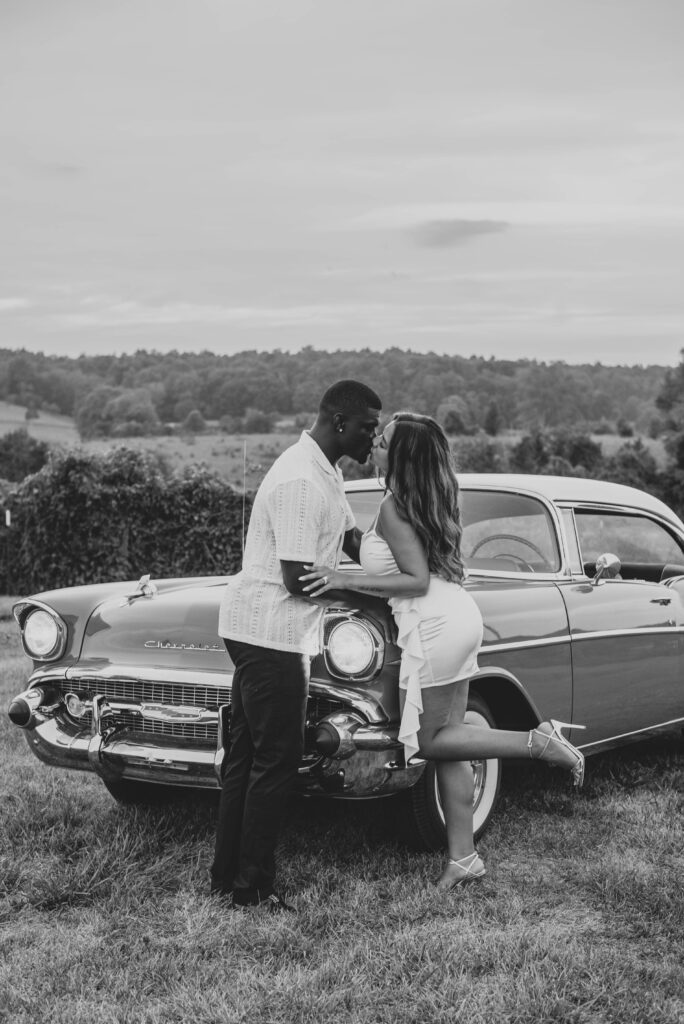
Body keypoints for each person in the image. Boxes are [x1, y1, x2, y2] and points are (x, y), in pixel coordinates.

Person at [301, 412, 585, 891]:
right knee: (450, 746)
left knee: (431, 741)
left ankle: (537, 743)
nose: (375, 443)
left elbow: (412, 580)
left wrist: (345, 578)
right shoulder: (418, 499)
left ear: (404, 456)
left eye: (384, 441)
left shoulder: (395, 506)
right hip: (454, 615)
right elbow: (395, 560)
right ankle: (464, 856)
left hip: (434, 623)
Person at [210, 379, 382, 911]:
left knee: (245, 754)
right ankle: (253, 888)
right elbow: (298, 577)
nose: (372, 439)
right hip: (269, 632)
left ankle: (228, 874)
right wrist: (370, 591)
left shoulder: (326, 471)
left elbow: (353, 541)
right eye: (368, 428)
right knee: (275, 760)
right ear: (339, 423)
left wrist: (402, 553)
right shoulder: (300, 480)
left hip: (266, 628)